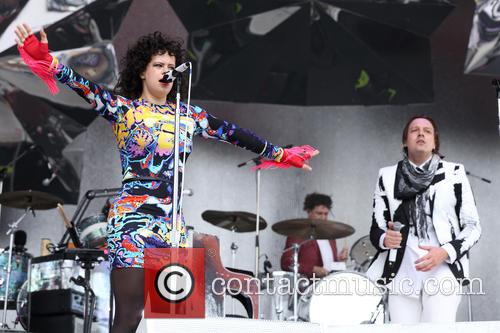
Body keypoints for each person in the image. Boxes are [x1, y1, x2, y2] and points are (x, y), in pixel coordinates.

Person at [14, 23, 318, 332]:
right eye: (158, 65)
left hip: (172, 224)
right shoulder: (124, 110)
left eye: (171, 66)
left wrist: (279, 153)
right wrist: (50, 62)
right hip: (133, 221)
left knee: (177, 319)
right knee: (130, 316)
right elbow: (85, 88)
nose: (166, 71)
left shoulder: (188, 116)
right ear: (143, 72)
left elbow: (234, 134)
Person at [366, 115, 481, 323]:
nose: (421, 133)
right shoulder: (387, 176)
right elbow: (377, 229)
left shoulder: (454, 173)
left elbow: (473, 227)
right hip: (402, 271)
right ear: (405, 141)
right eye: (414, 130)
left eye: (427, 131)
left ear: (435, 142)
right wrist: (385, 239)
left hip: (443, 268)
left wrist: (444, 252)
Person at [280, 193, 348, 279]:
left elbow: (329, 266)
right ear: (309, 211)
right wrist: (312, 269)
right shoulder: (298, 234)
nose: (323, 218)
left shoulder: (330, 236)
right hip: (307, 286)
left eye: (326, 214)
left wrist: (340, 262)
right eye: (319, 213)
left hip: (328, 285)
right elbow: (286, 263)